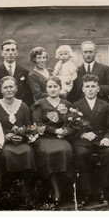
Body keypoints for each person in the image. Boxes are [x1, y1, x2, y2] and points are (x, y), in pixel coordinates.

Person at [72, 74, 109, 206]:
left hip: (101, 139)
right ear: (83, 89)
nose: (90, 89)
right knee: (81, 154)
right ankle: (86, 192)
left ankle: (104, 191)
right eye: (87, 86)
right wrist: (83, 134)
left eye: (93, 87)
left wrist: (108, 138)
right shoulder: (76, 105)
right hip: (83, 141)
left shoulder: (106, 105)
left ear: (98, 89)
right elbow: (71, 126)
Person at [0, 76, 37, 199]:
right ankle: (8, 189)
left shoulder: (23, 106)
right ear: (1, 90)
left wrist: (22, 137)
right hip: (3, 142)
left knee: (27, 152)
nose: (9, 90)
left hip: (22, 142)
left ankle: (26, 189)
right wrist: (5, 136)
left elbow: (29, 127)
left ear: (16, 88)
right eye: (5, 87)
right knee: (7, 154)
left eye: (11, 87)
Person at [31, 76, 74, 205]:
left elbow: (72, 121)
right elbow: (37, 124)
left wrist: (65, 131)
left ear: (60, 88)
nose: (53, 89)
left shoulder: (67, 104)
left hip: (62, 138)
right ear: (46, 89)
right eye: (50, 87)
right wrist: (55, 131)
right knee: (50, 153)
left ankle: (58, 188)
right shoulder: (40, 103)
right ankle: (55, 190)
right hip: (45, 137)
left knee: (65, 150)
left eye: (55, 86)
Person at [0, 39, 34, 107]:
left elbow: (29, 96)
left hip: (20, 109)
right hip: (1, 109)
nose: (10, 53)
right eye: (7, 50)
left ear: (17, 53)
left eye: (13, 50)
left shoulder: (24, 72)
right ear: (2, 53)